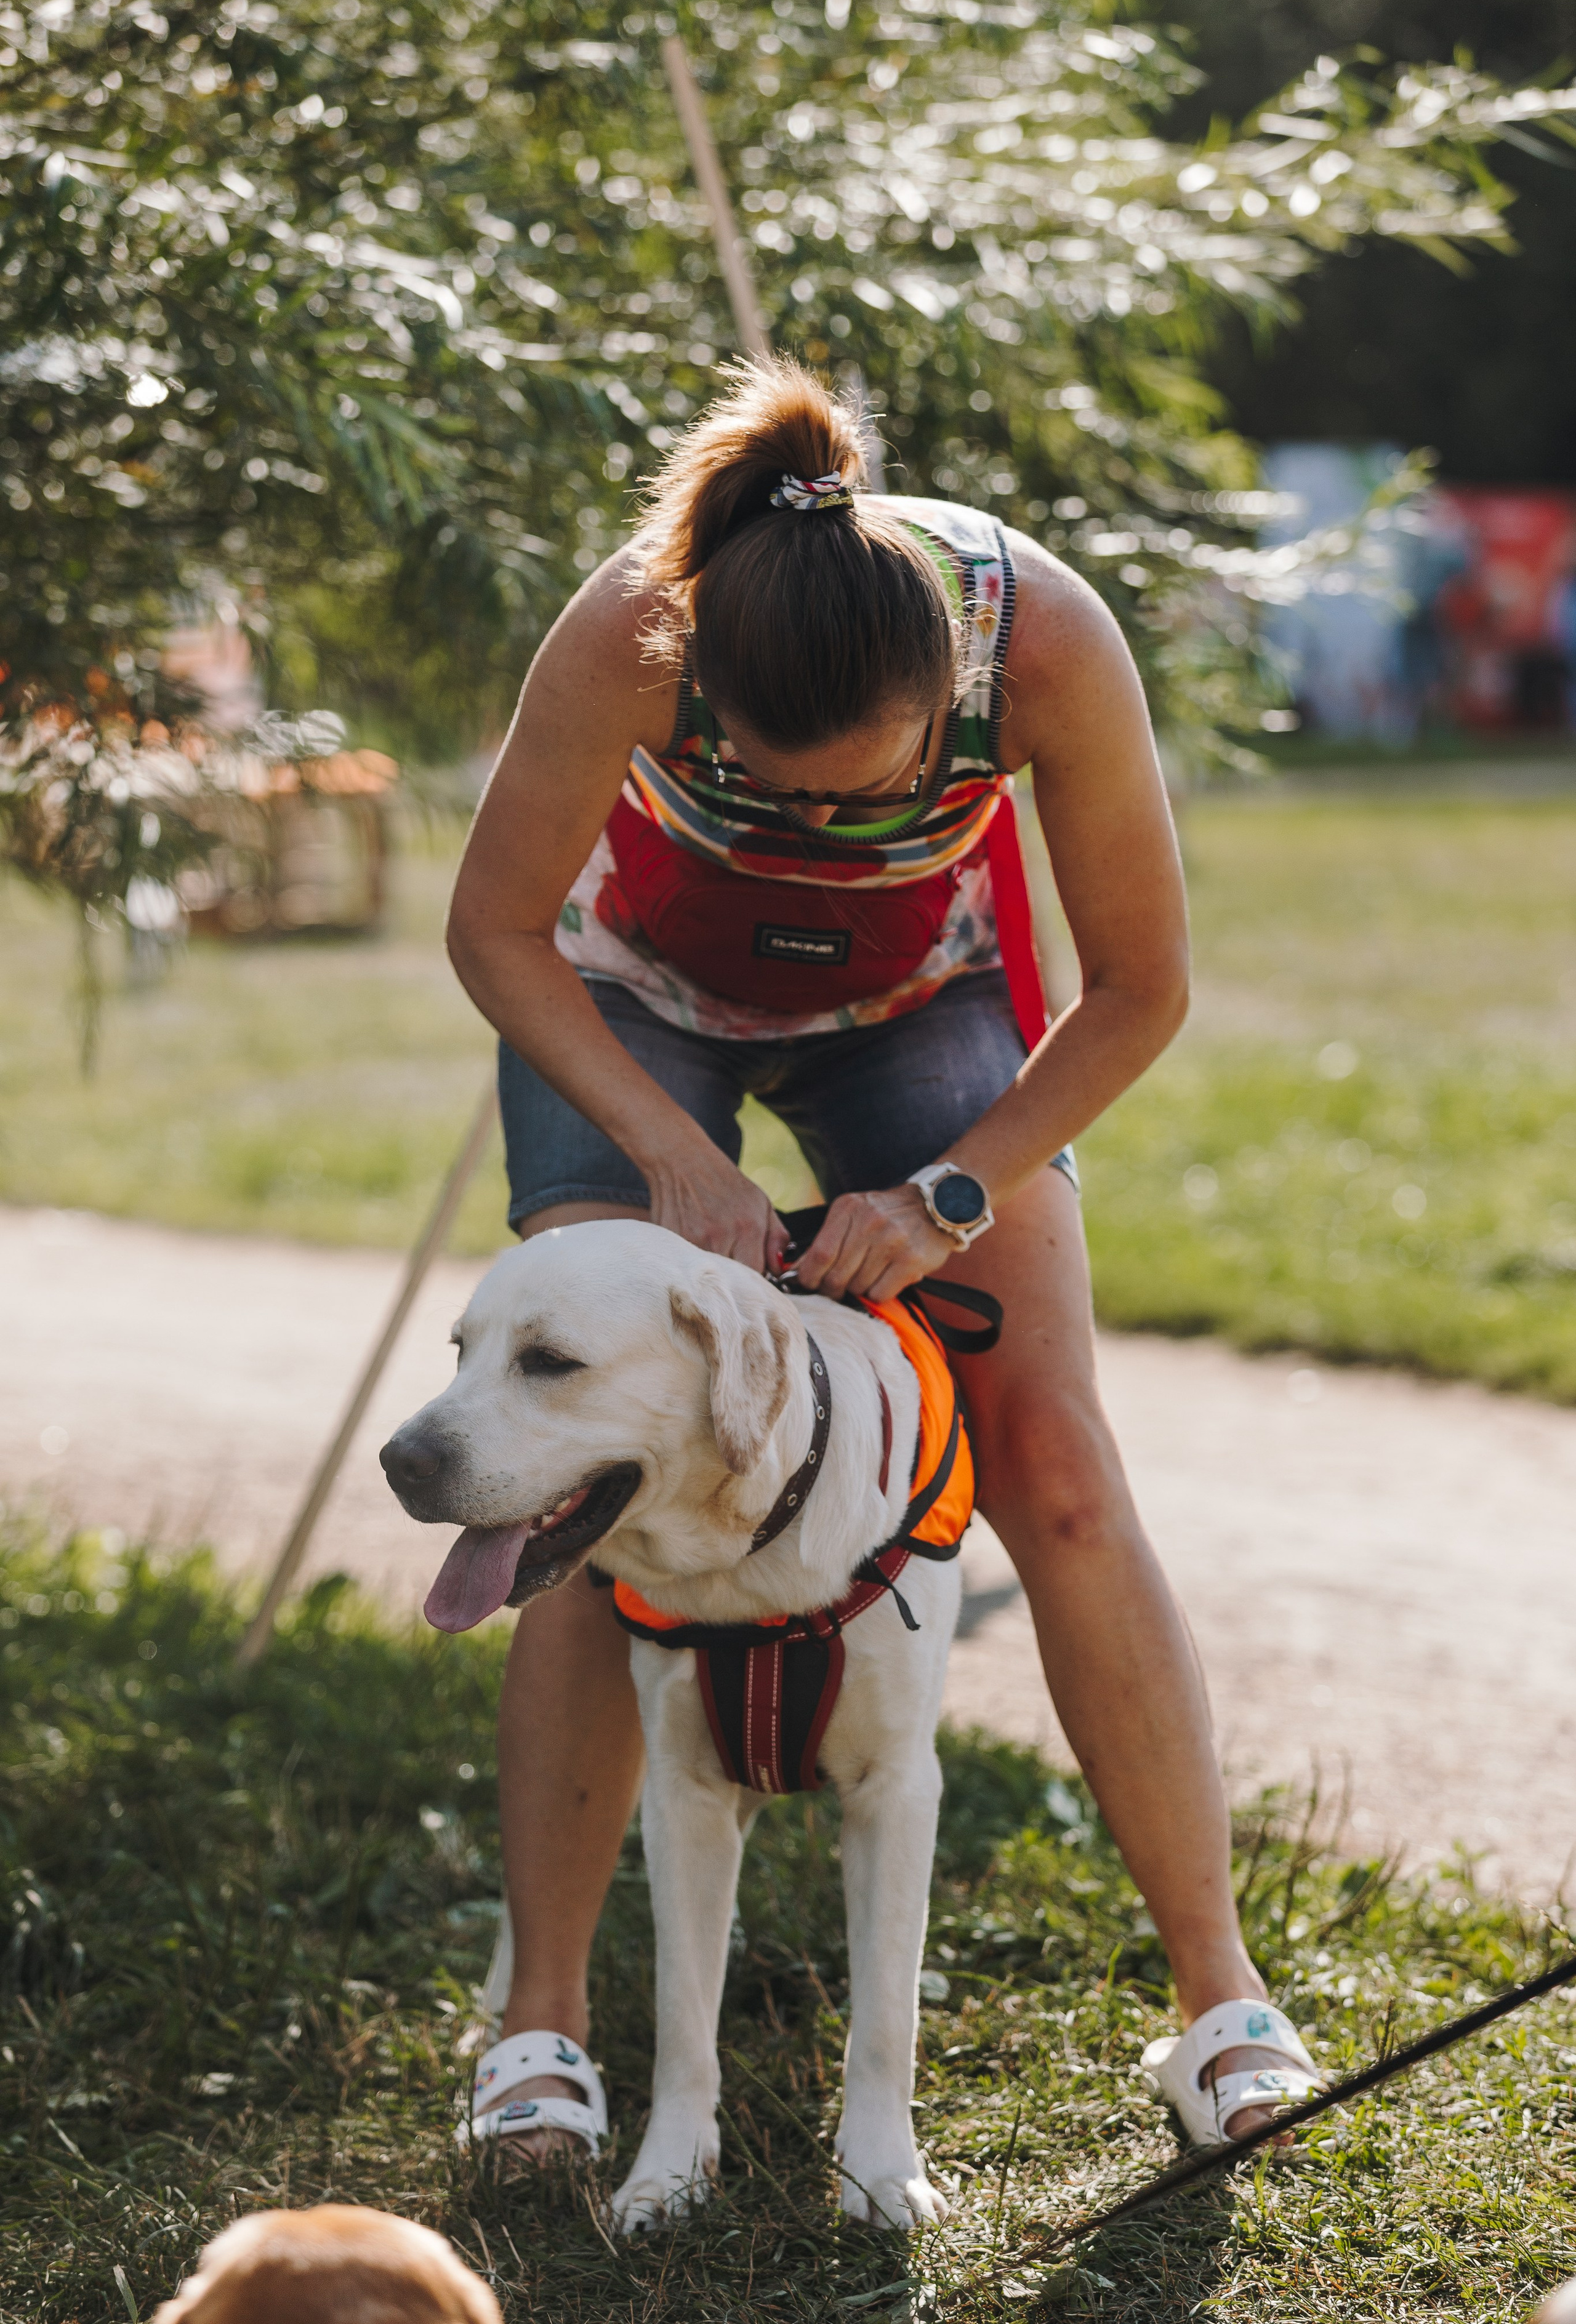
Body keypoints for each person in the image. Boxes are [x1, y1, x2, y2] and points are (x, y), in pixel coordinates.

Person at [444, 356, 1318, 2167]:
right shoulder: (636, 629)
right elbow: (498, 929)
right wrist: (673, 1161)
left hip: (917, 1004)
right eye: (783, 786)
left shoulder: (1049, 642)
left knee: (1057, 1460)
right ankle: (540, 2033)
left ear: (950, 696)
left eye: (891, 781)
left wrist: (950, 1195)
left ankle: (1220, 2006)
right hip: (636, 1007)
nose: (833, 816)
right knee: (587, 1475)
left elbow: (1140, 988)